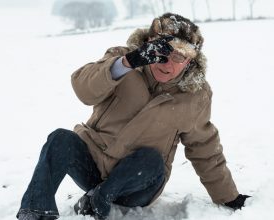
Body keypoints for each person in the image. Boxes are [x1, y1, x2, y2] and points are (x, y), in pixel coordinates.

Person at [16, 13, 250, 220]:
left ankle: (100, 198)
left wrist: (228, 197)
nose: (168, 63)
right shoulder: (121, 59)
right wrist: (127, 63)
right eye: (162, 52)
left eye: (179, 57)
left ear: (191, 61)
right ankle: (35, 211)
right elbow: (83, 89)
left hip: (139, 183)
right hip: (93, 165)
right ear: (149, 44)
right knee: (59, 139)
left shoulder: (195, 94)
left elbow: (204, 148)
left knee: (151, 159)